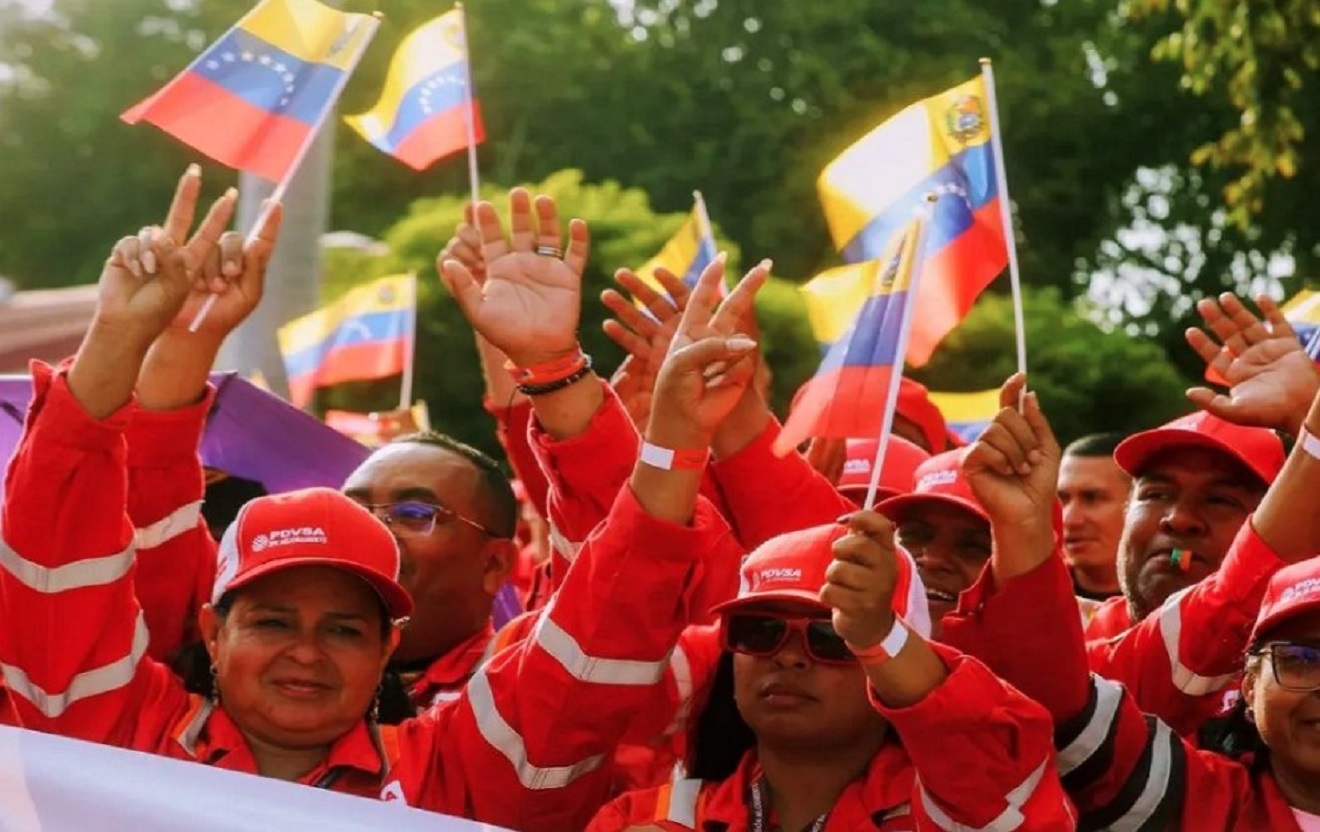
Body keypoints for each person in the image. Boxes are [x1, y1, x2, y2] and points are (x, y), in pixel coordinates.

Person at [0, 179, 750, 830]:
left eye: (344, 629)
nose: (305, 651)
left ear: (388, 648)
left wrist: (596, 395)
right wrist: (121, 336)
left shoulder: (452, 773)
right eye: (270, 619)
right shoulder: (116, 735)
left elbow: (605, 624)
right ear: (211, 631)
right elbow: (56, 567)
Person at [947, 368, 1320, 830]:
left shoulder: (1232, 626)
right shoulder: (1089, 660)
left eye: (1220, 500)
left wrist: (1311, 425)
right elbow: (1048, 697)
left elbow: (1236, 592)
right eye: (1156, 494)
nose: (1179, 520)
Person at [588, 515, 1074, 830]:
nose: (788, 657)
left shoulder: (961, 813)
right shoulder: (646, 818)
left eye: (832, 638)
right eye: (759, 630)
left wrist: (877, 633)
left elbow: (996, 751)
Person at [340, 430, 518, 712]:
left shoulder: (522, 690)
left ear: (494, 564)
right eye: (352, 511)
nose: (371, 529)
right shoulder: (281, 680)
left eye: (414, 514)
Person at [1057, 432, 1128, 600]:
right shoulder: (1035, 595)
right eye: (1062, 499)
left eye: (1091, 498)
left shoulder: (1179, 591)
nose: (1069, 520)